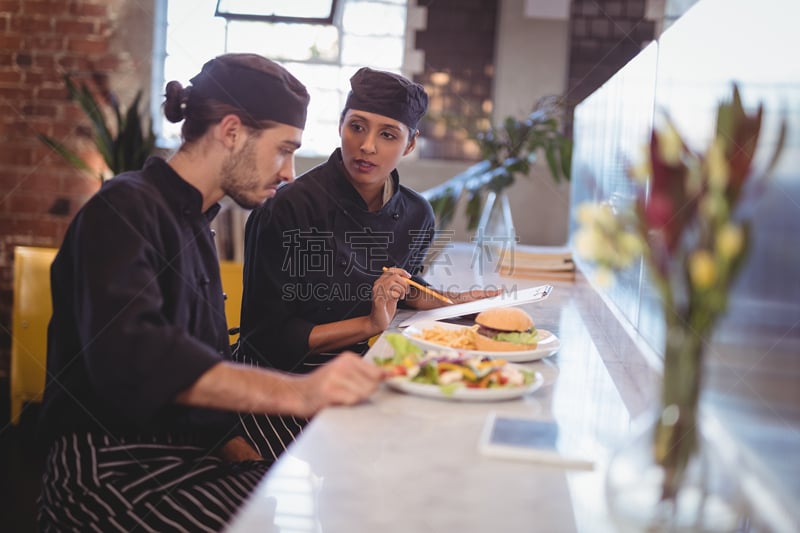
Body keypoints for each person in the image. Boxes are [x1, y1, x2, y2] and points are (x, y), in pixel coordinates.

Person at [36, 53, 384, 532]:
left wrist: (236, 448)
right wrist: (299, 392)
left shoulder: (197, 222)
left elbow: (196, 359)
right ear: (232, 131)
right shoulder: (123, 207)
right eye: (284, 149)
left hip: (182, 453)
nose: (288, 173)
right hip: (108, 469)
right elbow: (137, 358)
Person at [236, 67, 499, 459]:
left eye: (388, 134)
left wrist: (462, 304)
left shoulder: (416, 213)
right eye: (357, 127)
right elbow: (269, 338)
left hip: (349, 373)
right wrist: (369, 324)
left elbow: (406, 289)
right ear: (340, 125)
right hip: (272, 385)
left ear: (410, 145)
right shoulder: (287, 207)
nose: (367, 146)